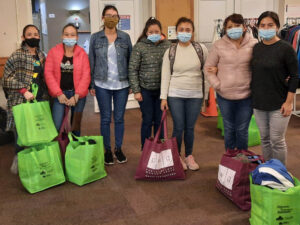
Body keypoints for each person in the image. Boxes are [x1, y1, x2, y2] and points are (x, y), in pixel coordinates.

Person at [250, 11, 299, 165]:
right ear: (258, 27)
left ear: (277, 27)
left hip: (279, 103)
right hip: (259, 103)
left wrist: (289, 102)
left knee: (276, 140)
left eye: (270, 25)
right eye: (263, 25)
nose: (266, 28)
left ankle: (280, 173)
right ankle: (268, 169)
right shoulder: (256, 48)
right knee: (264, 139)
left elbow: (295, 76)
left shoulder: (286, 48)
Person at [204, 13, 258, 151]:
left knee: (242, 129)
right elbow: (208, 68)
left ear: (244, 27)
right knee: (229, 129)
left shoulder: (254, 44)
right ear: (225, 29)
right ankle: (230, 159)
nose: (233, 29)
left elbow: (261, 66)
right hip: (225, 96)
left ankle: (242, 158)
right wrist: (217, 85)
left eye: (237, 25)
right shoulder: (218, 45)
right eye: (230, 27)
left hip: (246, 96)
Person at [160, 17, 208, 171]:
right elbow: (165, 75)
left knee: (190, 127)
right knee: (178, 126)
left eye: (188, 30)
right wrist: (163, 97)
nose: (184, 33)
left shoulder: (201, 49)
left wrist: (205, 96)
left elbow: (207, 74)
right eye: (181, 29)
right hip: (175, 94)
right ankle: (176, 156)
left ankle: (189, 155)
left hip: (195, 94)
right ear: (176, 32)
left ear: (193, 32)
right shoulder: (171, 51)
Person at [89, 5, 132, 165]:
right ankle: (107, 150)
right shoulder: (95, 37)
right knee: (105, 119)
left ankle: (118, 149)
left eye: (114, 15)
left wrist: (132, 83)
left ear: (118, 18)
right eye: (108, 15)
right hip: (102, 84)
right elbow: (91, 61)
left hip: (122, 84)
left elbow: (131, 60)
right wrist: (91, 84)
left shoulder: (125, 37)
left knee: (119, 118)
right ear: (102, 18)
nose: (111, 18)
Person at [2, 24, 47, 174]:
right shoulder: (17, 55)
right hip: (20, 101)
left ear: (39, 36)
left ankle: (36, 161)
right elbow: (6, 79)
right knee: (20, 135)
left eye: (35, 34)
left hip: (38, 100)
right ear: (23, 37)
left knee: (37, 132)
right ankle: (20, 163)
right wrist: (23, 90)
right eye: (29, 34)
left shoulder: (41, 55)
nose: (33, 37)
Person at [128, 17, 170, 150]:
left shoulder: (168, 45)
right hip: (145, 90)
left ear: (161, 32)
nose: (153, 34)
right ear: (146, 32)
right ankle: (145, 148)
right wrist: (136, 90)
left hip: (161, 91)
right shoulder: (140, 46)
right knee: (147, 119)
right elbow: (132, 69)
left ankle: (160, 148)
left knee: (160, 120)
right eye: (150, 32)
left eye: (156, 31)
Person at [44, 23, 91, 136]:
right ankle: (59, 150)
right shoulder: (53, 52)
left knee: (76, 126)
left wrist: (77, 95)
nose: (69, 37)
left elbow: (86, 75)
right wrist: (58, 94)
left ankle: (73, 150)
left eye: (72, 35)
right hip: (59, 95)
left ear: (77, 37)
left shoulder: (82, 53)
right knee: (57, 125)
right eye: (66, 34)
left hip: (78, 96)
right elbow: (48, 74)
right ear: (62, 36)